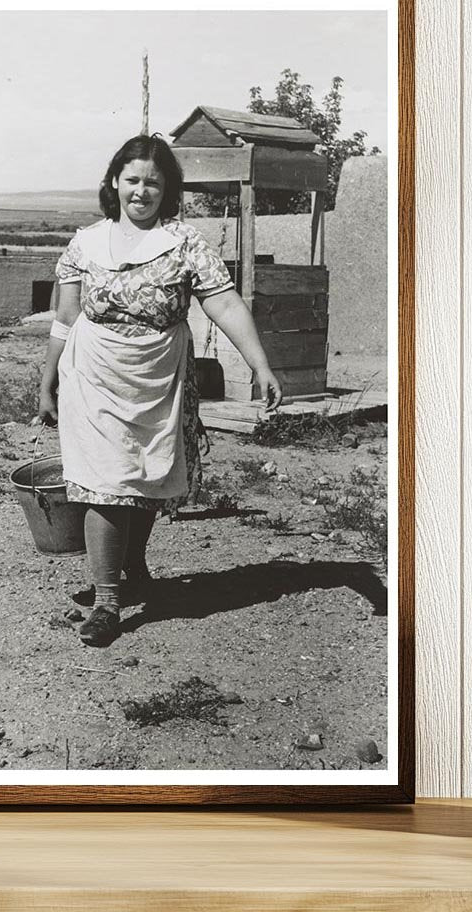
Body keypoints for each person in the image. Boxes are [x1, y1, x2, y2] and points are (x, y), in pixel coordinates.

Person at [36, 134, 282, 647]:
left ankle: (133, 564)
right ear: (114, 183)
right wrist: (48, 380)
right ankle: (107, 601)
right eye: (132, 180)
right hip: (94, 374)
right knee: (106, 484)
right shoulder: (86, 243)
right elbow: (64, 317)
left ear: (167, 189)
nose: (141, 191)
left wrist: (260, 364)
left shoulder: (186, 243)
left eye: (153, 181)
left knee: (146, 472)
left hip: (159, 375)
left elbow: (227, 305)